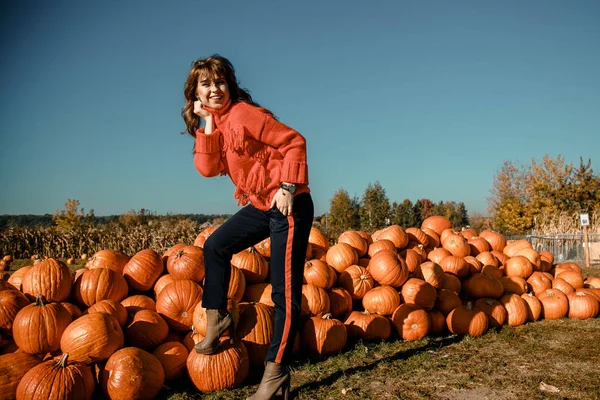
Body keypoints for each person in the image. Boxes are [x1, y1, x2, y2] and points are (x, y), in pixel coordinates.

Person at [181, 54, 313, 399]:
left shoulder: (243, 114)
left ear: (231, 85)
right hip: (260, 204)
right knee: (216, 246)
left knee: (284, 293)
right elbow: (208, 169)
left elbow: (294, 141)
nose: (215, 90)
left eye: (220, 82)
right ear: (196, 93)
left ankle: (275, 374)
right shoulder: (220, 123)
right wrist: (207, 123)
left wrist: (287, 187)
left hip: (288, 205)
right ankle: (218, 319)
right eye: (206, 85)